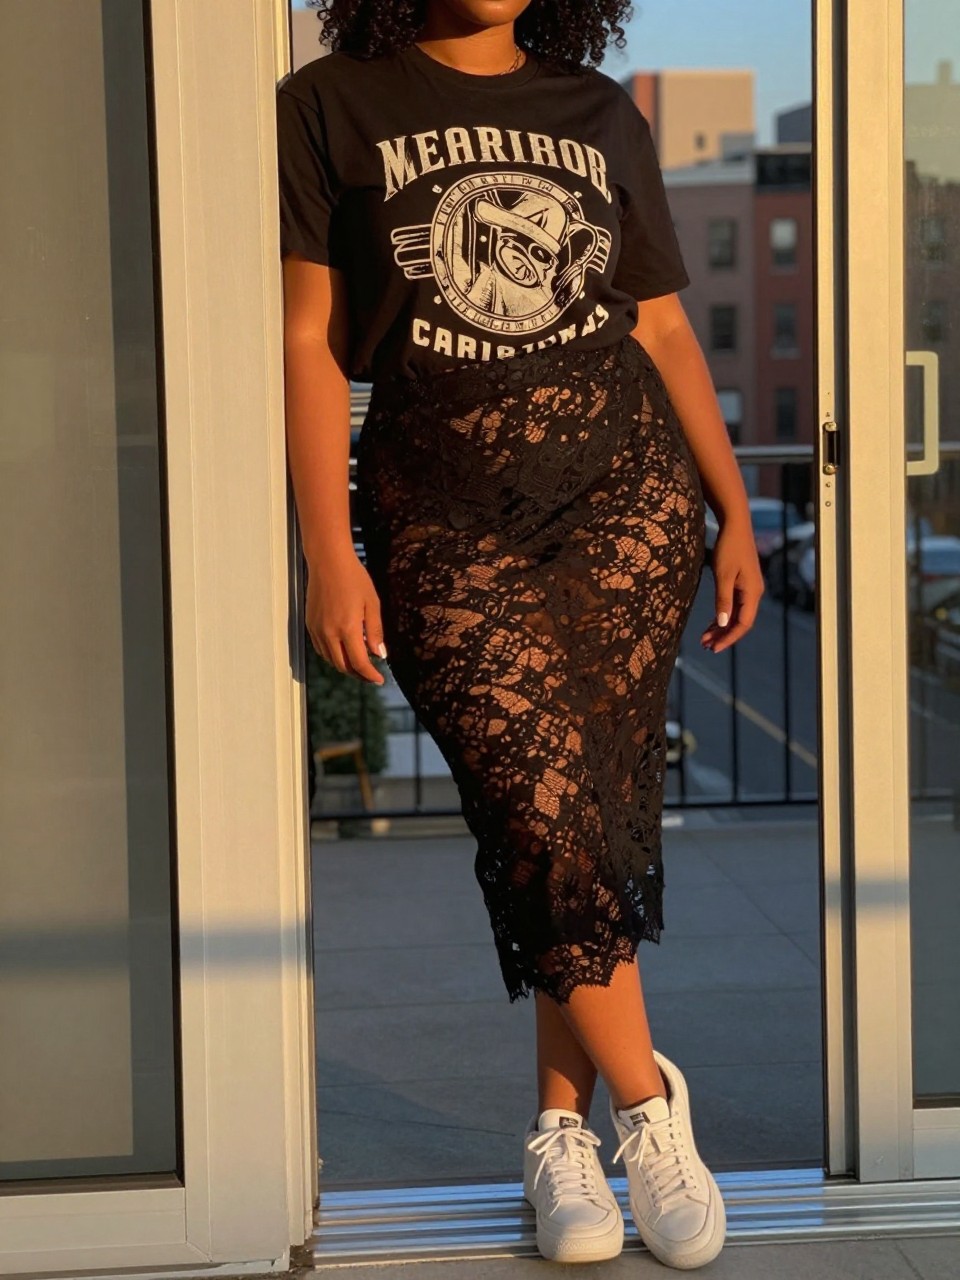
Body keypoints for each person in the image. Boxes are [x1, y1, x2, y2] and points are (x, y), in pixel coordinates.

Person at [277, 0, 764, 1270]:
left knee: (586, 819)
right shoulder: (332, 103)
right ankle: (651, 1110)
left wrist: (732, 509)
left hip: (624, 500)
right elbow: (311, 338)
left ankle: (562, 1134)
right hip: (439, 511)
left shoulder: (600, 111)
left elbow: (659, 326)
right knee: (538, 810)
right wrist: (329, 546)